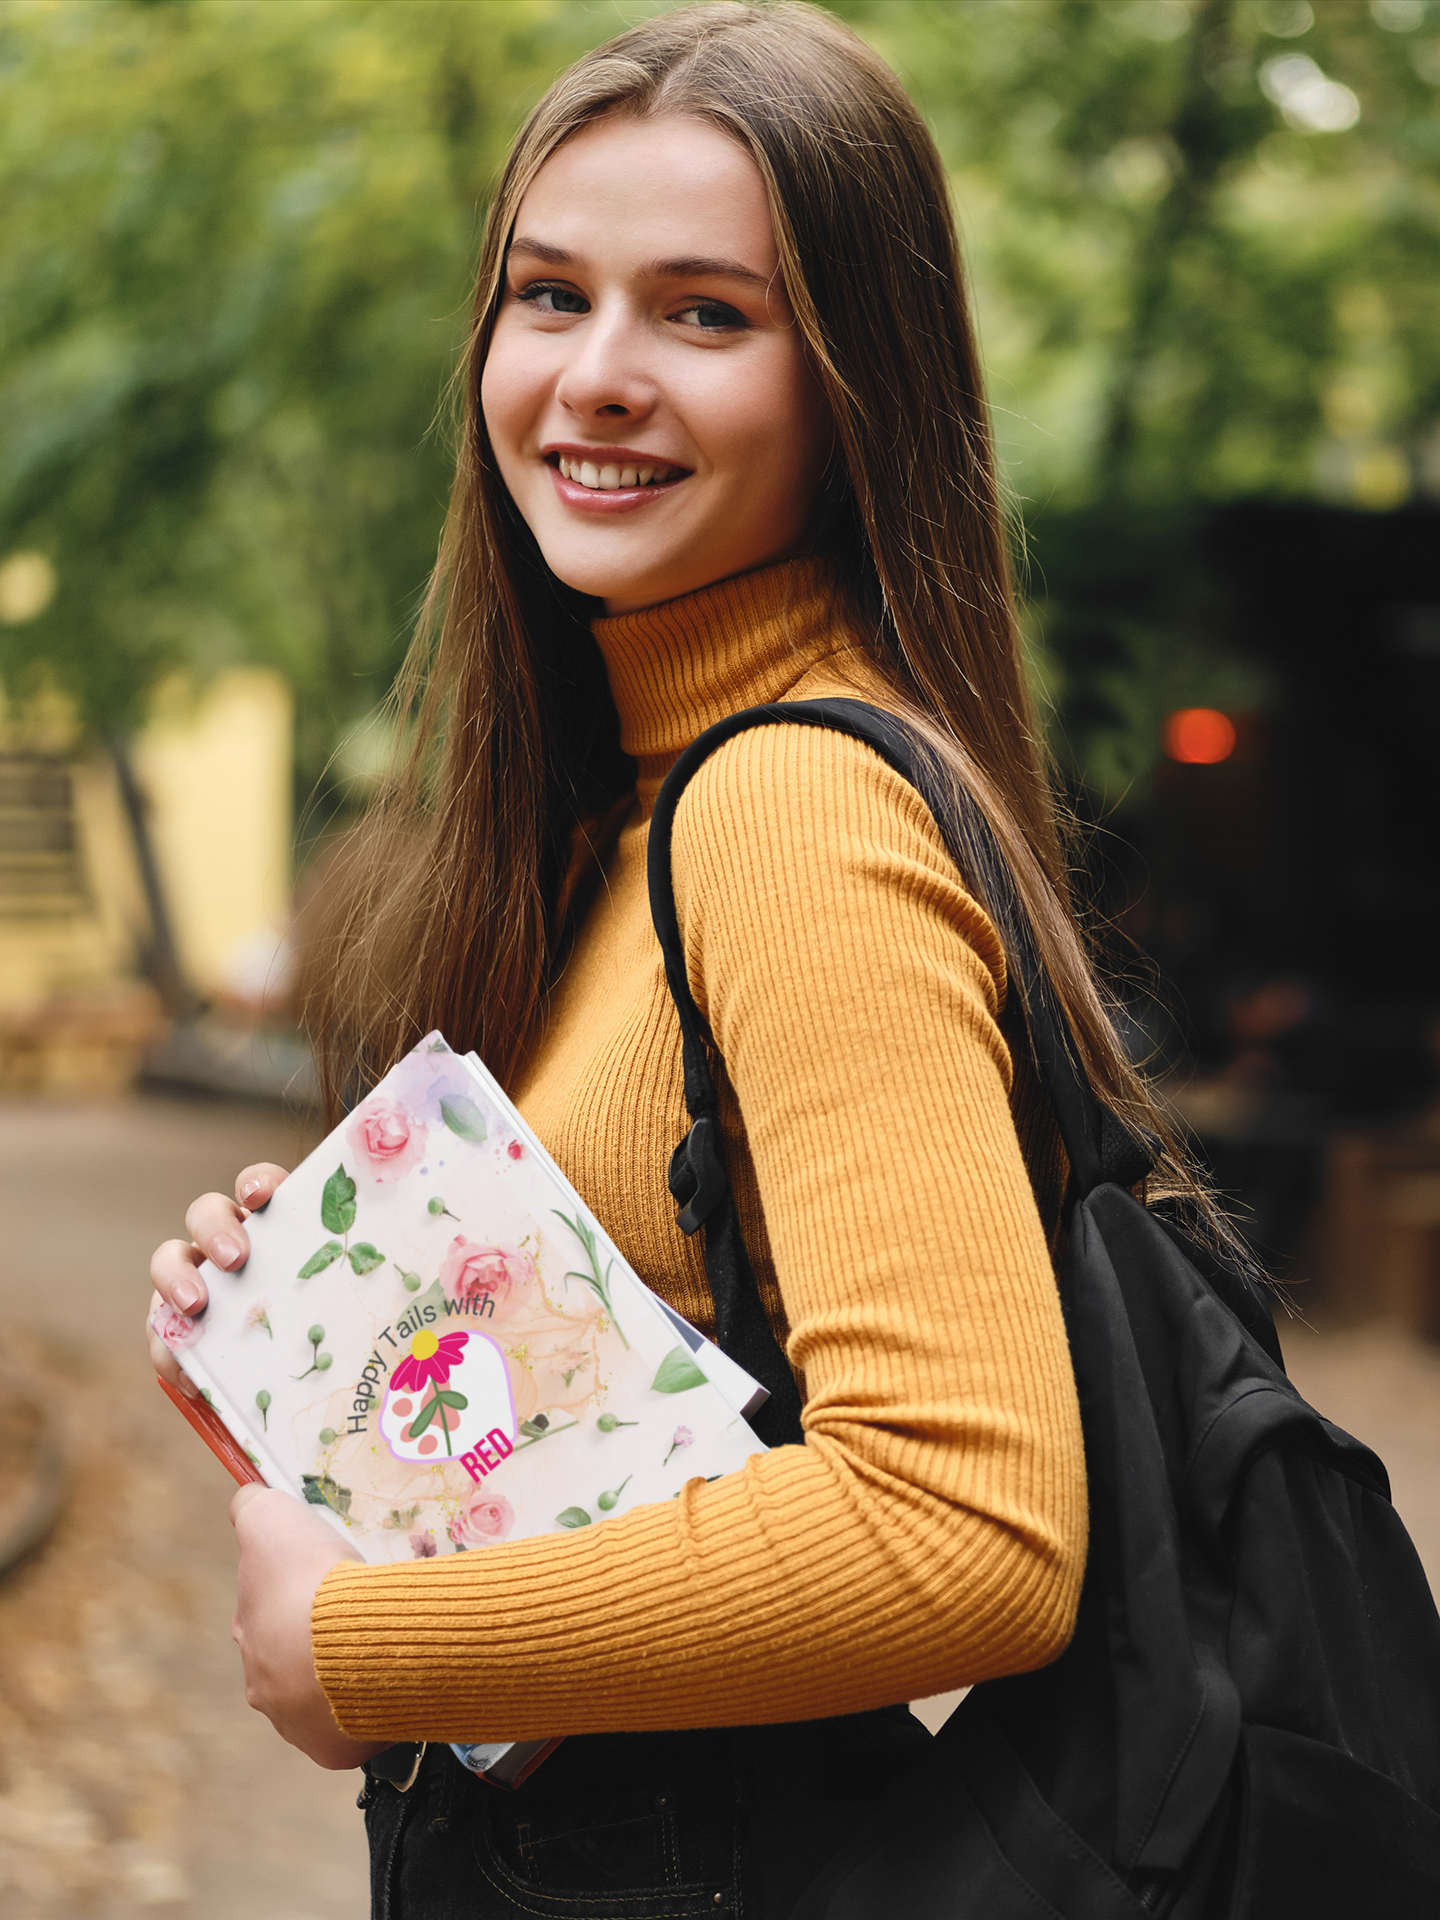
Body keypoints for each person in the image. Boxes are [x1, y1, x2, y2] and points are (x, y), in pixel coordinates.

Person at [146, 6, 1209, 1913]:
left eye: (706, 315)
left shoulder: (790, 815)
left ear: (854, 383)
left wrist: (370, 1653)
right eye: (549, 295)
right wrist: (332, 1358)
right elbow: (672, 1419)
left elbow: (963, 1525)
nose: (596, 375)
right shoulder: (608, 817)